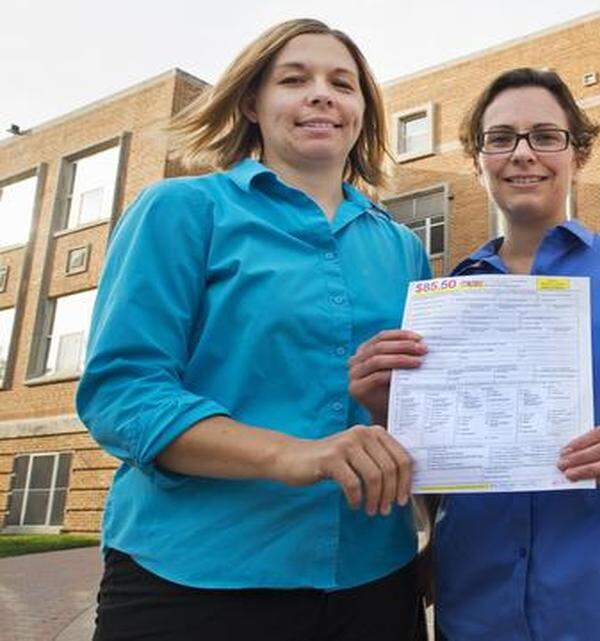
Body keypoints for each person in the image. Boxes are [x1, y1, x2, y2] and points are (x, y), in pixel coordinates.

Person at [349, 67, 600, 641]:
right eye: (501, 138)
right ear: (478, 161)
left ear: (576, 154)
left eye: (545, 136)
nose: (523, 154)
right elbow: (440, 454)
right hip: (483, 602)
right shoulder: (447, 295)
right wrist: (387, 407)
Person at [76, 19, 430, 641]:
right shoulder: (181, 209)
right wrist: (297, 455)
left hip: (374, 582)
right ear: (251, 103)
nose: (322, 94)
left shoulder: (403, 247)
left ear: (361, 112)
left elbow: (423, 413)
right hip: (195, 579)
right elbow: (123, 394)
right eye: (294, 80)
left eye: (342, 84)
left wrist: (392, 410)